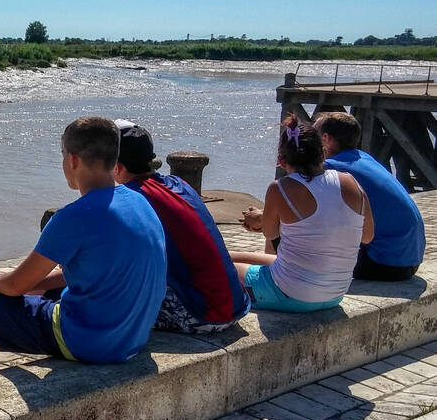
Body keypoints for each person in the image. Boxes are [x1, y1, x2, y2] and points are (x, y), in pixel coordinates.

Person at [0, 116, 167, 367]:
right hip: (133, 338)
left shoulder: (74, 216)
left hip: (88, 342)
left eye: (63, 154)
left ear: (73, 159)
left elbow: (15, 286)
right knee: (43, 285)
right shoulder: (140, 202)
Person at [113, 119, 250, 333]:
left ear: (117, 167)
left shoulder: (131, 199)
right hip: (235, 305)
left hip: (203, 316)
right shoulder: (179, 184)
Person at [231, 115, 374, 312]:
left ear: (281, 160)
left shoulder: (279, 188)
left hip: (291, 294)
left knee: (216, 267)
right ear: (322, 153)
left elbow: (270, 234)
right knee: (229, 255)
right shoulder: (351, 182)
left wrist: (260, 218)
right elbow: (367, 236)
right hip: (335, 294)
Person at [314, 111, 425, 280]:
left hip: (385, 264)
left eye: (314, 134)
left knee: (295, 242)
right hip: (411, 259)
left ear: (326, 139)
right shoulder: (364, 158)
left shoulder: (331, 168)